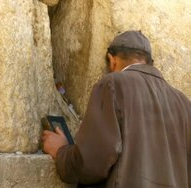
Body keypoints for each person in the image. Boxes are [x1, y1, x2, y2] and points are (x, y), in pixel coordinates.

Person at [42, 30, 191, 188]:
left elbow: (91, 164)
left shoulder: (113, 85)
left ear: (111, 60)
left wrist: (61, 151)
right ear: (149, 62)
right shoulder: (184, 103)